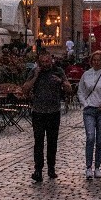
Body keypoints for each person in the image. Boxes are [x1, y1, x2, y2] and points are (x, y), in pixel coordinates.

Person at [22, 50, 71, 183]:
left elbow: (69, 89)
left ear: (51, 60)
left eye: (47, 61)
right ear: (39, 62)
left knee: (52, 141)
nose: (45, 64)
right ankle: (38, 170)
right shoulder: (34, 72)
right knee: (38, 142)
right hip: (38, 112)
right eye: (42, 62)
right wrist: (35, 77)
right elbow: (25, 89)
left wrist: (61, 81)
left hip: (53, 112)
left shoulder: (58, 71)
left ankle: (51, 167)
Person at [77, 50, 101, 178]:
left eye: (99, 60)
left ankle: (97, 167)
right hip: (89, 110)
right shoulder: (86, 75)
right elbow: (80, 91)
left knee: (99, 139)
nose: (96, 62)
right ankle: (88, 167)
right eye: (94, 60)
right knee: (90, 137)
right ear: (91, 61)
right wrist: (85, 103)